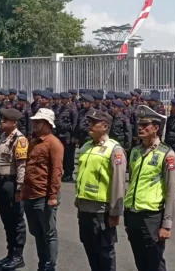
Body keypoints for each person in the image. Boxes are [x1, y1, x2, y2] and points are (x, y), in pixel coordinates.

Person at [125, 105, 175, 271]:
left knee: (154, 262)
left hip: (152, 216)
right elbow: (133, 180)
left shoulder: (166, 154)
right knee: (140, 261)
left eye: (144, 125)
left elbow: (170, 191)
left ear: (155, 128)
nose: (140, 128)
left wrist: (166, 224)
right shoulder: (134, 152)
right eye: (139, 125)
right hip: (133, 214)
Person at [75, 109, 127, 271]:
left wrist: (115, 212)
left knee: (104, 252)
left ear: (105, 126)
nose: (89, 125)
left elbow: (118, 184)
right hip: (85, 208)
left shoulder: (115, 150)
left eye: (93, 123)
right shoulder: (86, 146)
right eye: (89, 122)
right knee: (90, 249)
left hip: (102, 211)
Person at [24, 108, 64, 271]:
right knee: (36, 232)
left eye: (38, 121)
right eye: (34, 121)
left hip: (44, 195)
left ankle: (50, 264)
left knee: (49, 233)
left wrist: (53, 195)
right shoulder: (33, 142)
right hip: (30, 194)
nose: (34, 124)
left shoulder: (53, 143)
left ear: (47, 124)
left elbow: (56, 170)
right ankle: (42, 262)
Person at [0, 108, 29, 271]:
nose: (2, 122)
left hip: (11, 182)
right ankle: (10, 253)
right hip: (1, 182)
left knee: (16, 220)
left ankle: (18, 255)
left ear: (14, 123)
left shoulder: (19, 140)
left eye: (5, 121)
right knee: (6, 219)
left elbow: (21, 166)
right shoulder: (3, 137)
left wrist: (20, 187)